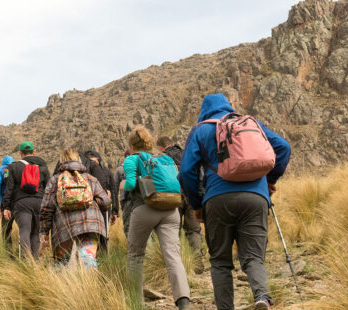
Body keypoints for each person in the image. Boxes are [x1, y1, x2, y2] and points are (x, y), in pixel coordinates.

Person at [179, 93, 291, 310]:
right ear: (228, 106)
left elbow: (185, 173)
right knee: (253, 257)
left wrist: (197, 204)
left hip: (217, 199)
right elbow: (283, 148)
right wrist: (268, 181)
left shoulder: (201, 129)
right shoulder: (251, 124)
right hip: (255, 198)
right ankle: (262, 298)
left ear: (204, 111)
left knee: (220, 262)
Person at [124, 126, 191, 310]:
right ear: (149, 143)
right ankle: (183, 301)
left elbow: (130, 184)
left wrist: (124, 185)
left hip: (144, 208)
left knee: (135, 256)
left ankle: (135, 302)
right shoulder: (165, 158)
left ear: (131, 144)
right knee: (173, 256)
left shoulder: (132, 159)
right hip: (171, 209)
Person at [40, 149, 111, 269]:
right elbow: (105, 202)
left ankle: (60, 287)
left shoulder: (55, 180)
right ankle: (91, 286)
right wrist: (93, 201)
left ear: (61, 161)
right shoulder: (90, 179)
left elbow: (47, 208)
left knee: (61, 263)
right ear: (79, 160)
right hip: (90, 224)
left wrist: (44, 232)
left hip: (63, 226)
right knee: (88, 259)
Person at [157, 136, 205, 274]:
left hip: (172, 196)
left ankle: (177, 262)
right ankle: (197, 257)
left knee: (173, 229)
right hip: (191, 194)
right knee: (193, 229)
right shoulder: (187, 153)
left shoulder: (162, 157)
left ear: (161, 147)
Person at [3, 142, 50, 260]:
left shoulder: (14, 167)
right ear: (34, 152)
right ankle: (35, 262)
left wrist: (7, 207)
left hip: (22, 203)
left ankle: (26, 261)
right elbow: (48, 188)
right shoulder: (43, 167)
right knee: (35, 233)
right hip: (39, 202)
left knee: (24, 230)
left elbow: (9, 189)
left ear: (20, 153)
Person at [0, 155, 15, 248]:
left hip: (6, 202)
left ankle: (8, 252)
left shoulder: (0, 170)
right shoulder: (17, 168)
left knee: (6, 228)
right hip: (18, 201)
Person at [113, 149, 133, 238]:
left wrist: (114, 207)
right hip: (142, 200)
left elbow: (114, 189)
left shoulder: (120, 169)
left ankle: (132, 249)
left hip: (125, 200)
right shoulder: (141, 166)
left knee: (128, 226)